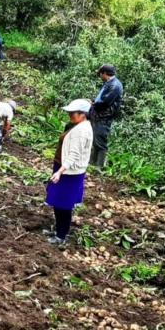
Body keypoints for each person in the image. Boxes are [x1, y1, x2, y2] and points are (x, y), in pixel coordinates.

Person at [45, 99, 94, 248]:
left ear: (83, 114)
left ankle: (61, 236)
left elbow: (74, 154)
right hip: (65, 168)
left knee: (63, 205)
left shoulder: (81, 131)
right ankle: (59, 231)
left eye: (73, 113)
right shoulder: (78, 126)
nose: (70, 115)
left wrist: (60, 171)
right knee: (59, 203)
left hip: (69, 172)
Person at [89, 64, 123, 168]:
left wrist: (93, 104)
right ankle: (92, 164)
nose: (99, 76)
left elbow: (105, 102)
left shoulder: (114, 85)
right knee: (95, 140)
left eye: (100, 74)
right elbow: (101, 99)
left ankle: (99, 167)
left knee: (100, 142)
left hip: (104, 117)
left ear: (104, 73)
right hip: (99, 115)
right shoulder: (109, 83)